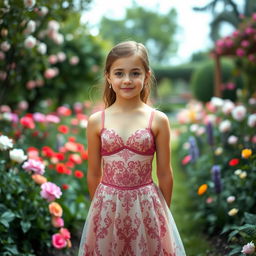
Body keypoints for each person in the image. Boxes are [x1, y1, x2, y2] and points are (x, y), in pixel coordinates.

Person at [78, 41, 186, 255]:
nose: (127, 80)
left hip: (147, 204)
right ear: (108, 76)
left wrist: (162, 214)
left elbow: (165, 174)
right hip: (107, 204)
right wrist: (100, 212)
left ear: (146, 75)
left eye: (135, 73)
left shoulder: (158, 120)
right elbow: (93, 173)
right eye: (119, 73)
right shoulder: (96, 121)